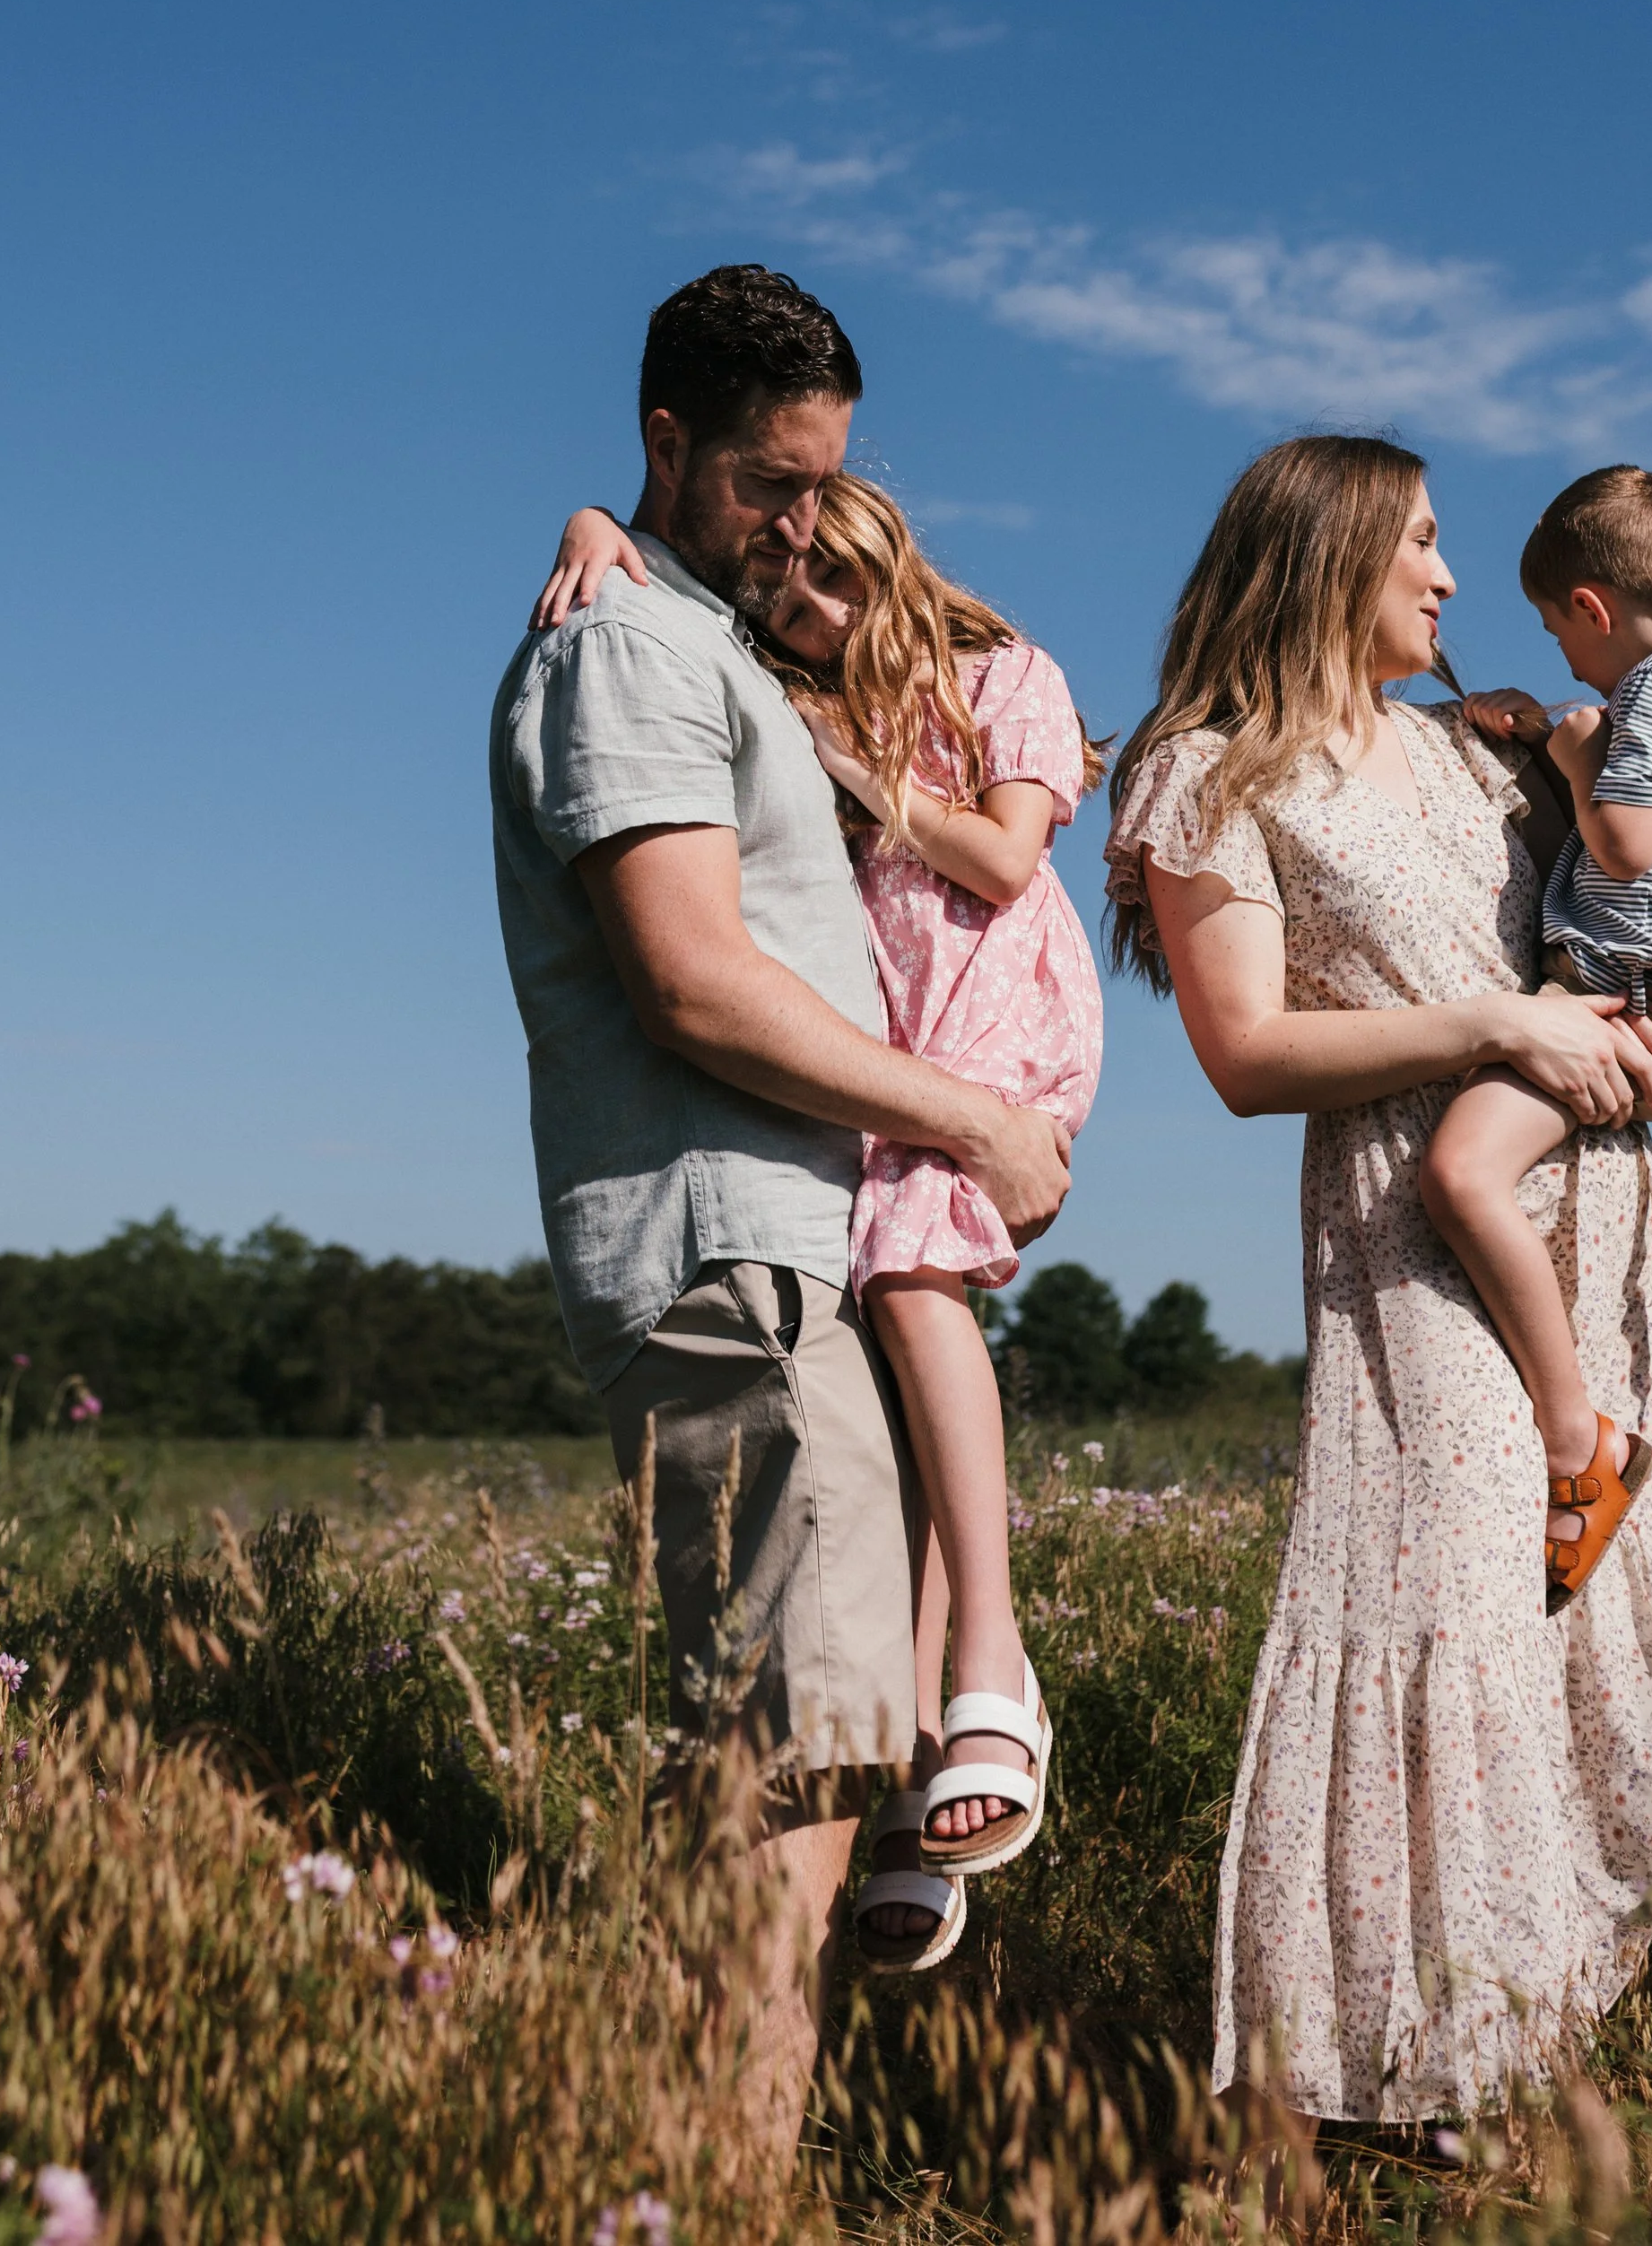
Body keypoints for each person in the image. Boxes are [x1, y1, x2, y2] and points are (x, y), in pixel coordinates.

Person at [1103, 434, 1652, 2128]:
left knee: (1644, 1621)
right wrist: (1499, 1027)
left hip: (1595, 1206)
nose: (1442, 571)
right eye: (1418, 542)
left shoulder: (1477, 757)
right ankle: (1430, 2076)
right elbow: (1249, 1051)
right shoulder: (1210, 778)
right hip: (1413, 1235)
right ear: (1328, 556)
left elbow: (1621, 921)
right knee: (1459, 1611)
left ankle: (1631, 2032)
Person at [488, 266, 1072, 2180]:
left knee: (805, 1739)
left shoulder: (710, 638)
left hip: (797, 1255)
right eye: (762, 483)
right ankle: (719, 2180)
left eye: (820, 484)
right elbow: (692, 985)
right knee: (796, 1753)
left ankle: (686, 2153)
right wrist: (970, 1118)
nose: (797, 524)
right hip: (729, 1256)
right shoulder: (636, 657)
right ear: (666, 444)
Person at [540, 472, 1103, 1969]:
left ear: (895, 571)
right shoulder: (809, 699)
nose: (813, 620)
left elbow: (998, 858)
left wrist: (844, 761)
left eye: (837, 591)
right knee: (896, 1399)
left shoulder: (1004, 676)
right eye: (789, 608)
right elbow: (674, 575)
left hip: (993, 1029)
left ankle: (993, 1668)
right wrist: (595, 528)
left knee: (916, 1288)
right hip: (901, 1043)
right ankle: (931, 1766)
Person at [1421, 466, 1652, 1607]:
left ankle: (1578, 1440)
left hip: (1614, 983)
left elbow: (1626, 847)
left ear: (1592, 607)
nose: (1569, 663)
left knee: (1460, 1173)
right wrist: (1551, 739)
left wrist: (1580, 760)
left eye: (1557, 632)